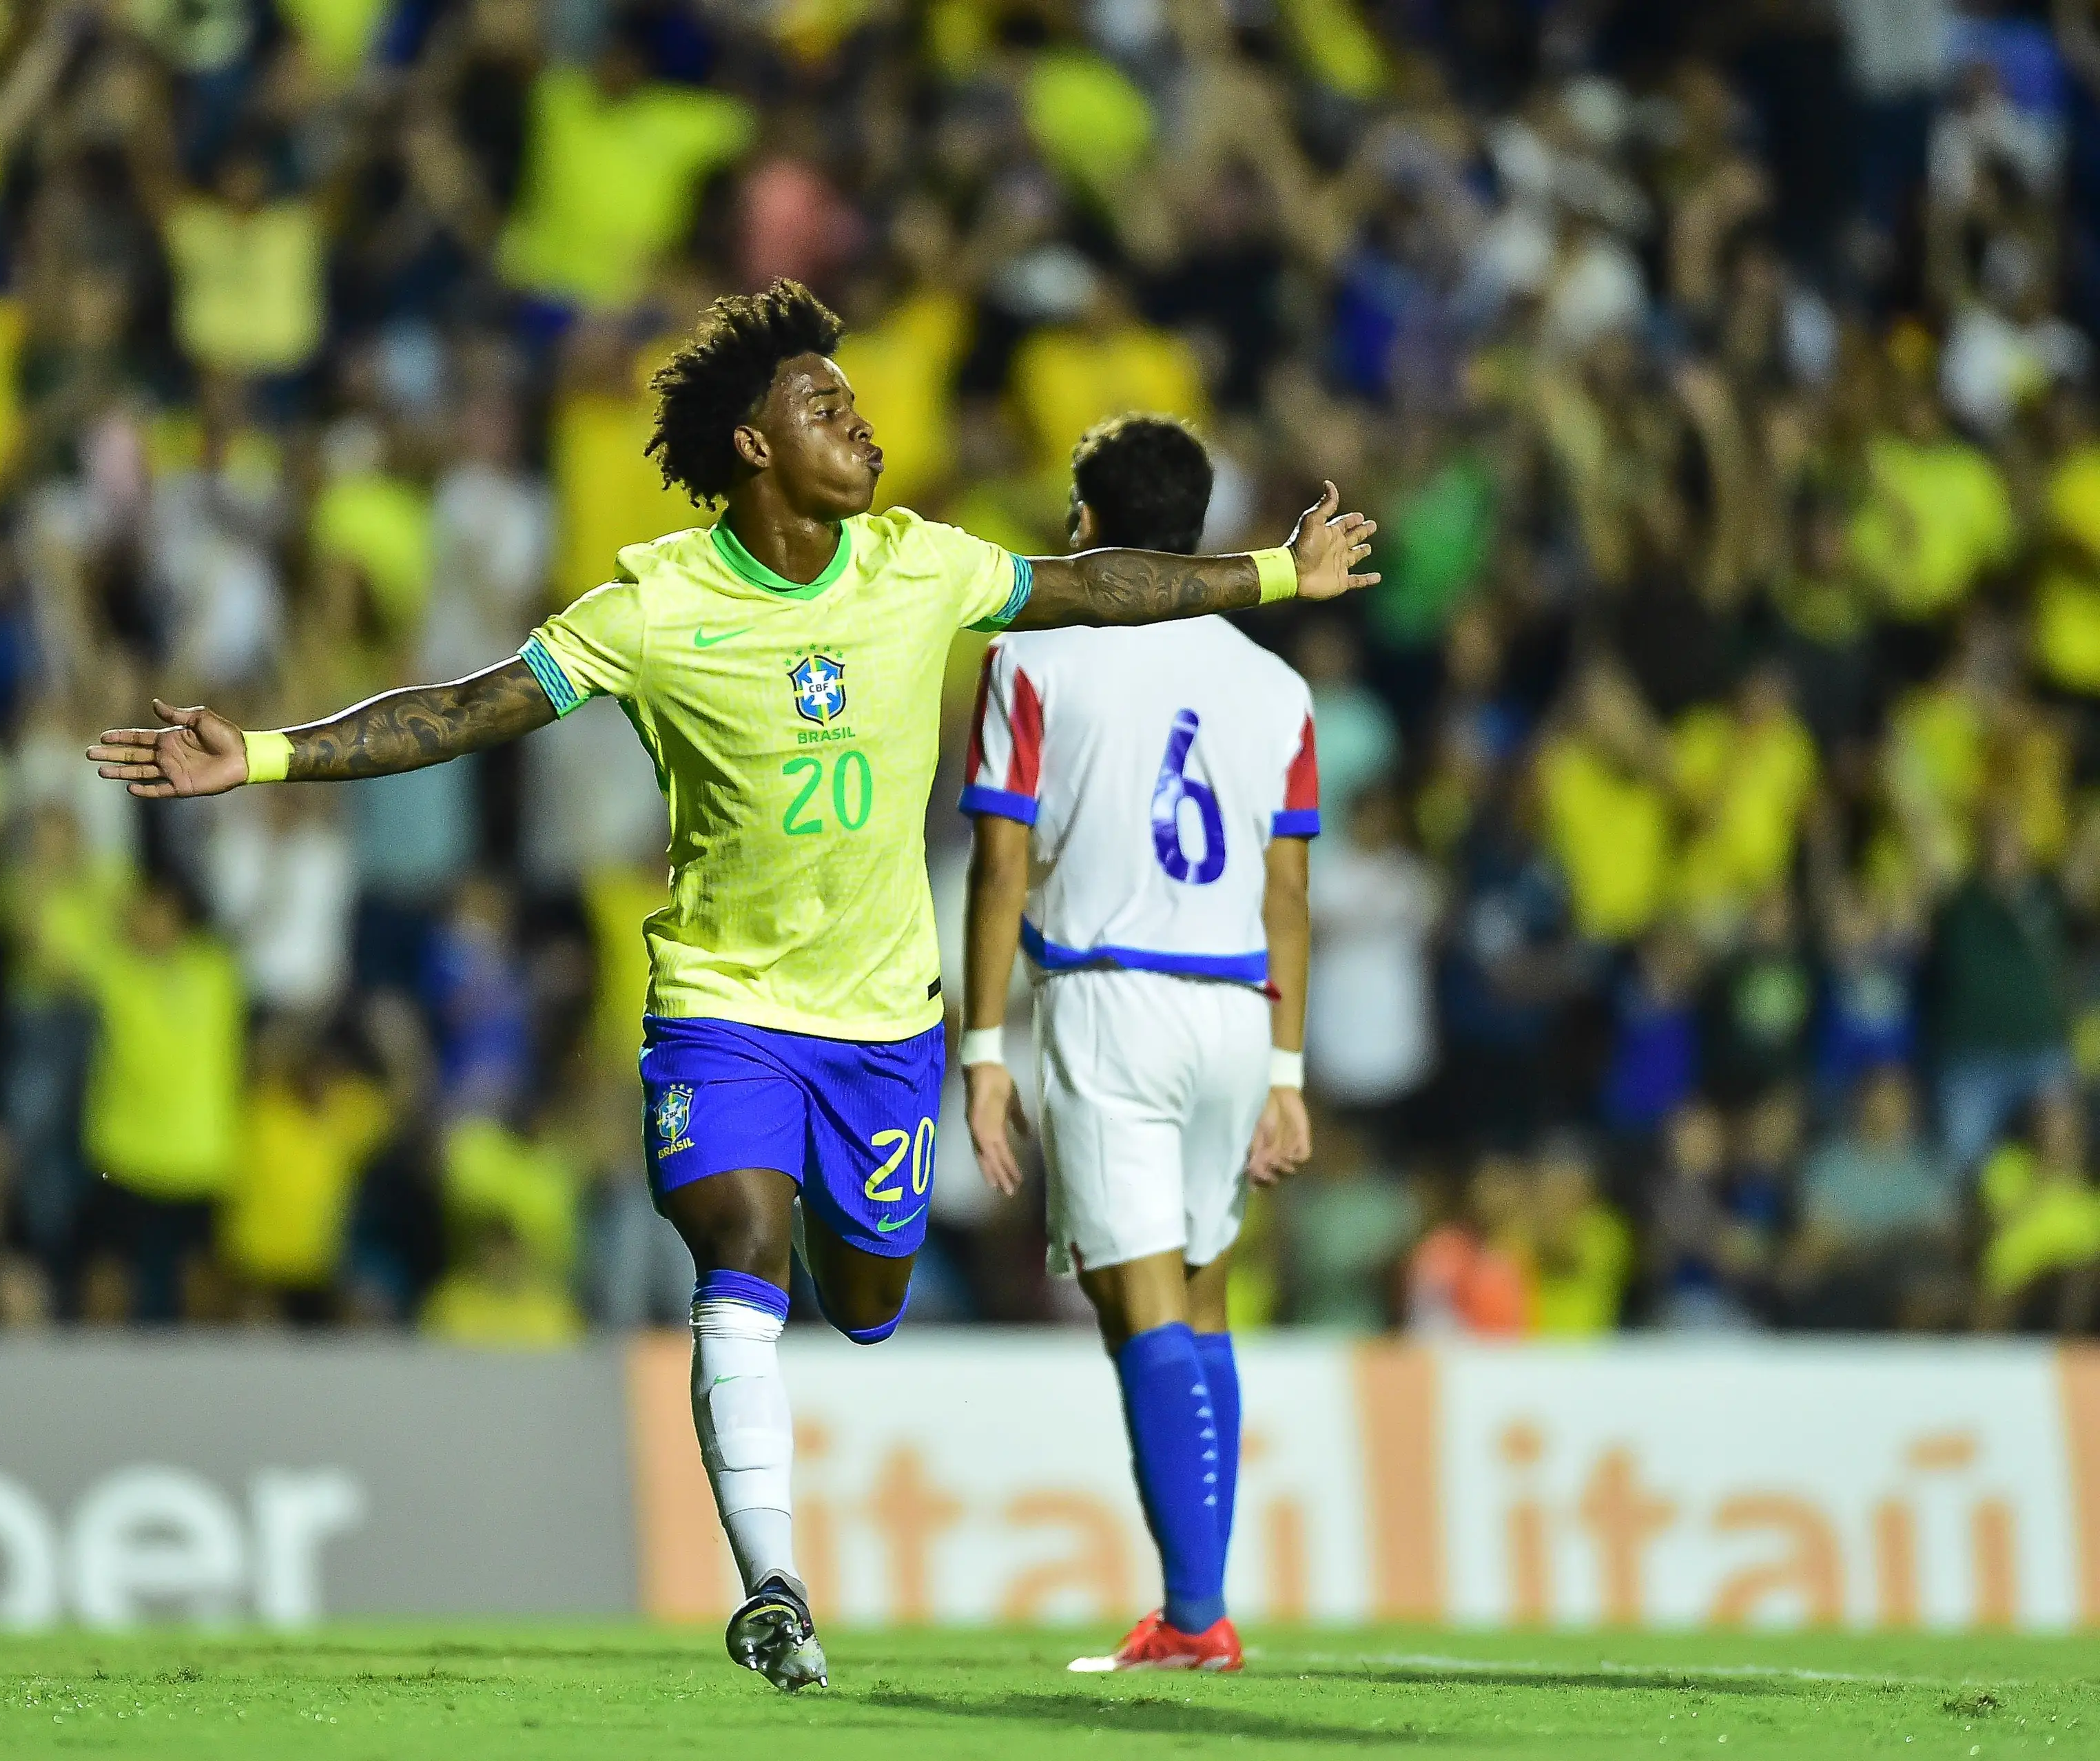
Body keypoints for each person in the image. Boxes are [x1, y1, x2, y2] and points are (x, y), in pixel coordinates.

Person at [88, 280, 1376, 1691]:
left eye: (858, 404)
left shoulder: (917, 565)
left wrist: (1272, 575)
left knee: (865, 1295)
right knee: (737, 1246)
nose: (861, 426)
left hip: (885, 1026)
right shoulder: (653, 607)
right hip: (723, 1008)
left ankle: (845, 1314)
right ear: (756, 448)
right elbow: (459, 711)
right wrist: (263, 755)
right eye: (825, 407)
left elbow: (1099, 584)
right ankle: (773, 1587)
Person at [955, 413, 1321, 1674]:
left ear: (1086, 528)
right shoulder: (1277, 688)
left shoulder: (1034, 659)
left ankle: (1196, 1618)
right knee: (1203, 1293)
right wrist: (1288, 1074)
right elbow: (1288, 896)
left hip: (1112, 1003)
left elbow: (1000, 862)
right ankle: (1196, 1605)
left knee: (1138, 1302)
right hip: (1238, 1014)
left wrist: (982, 1047)